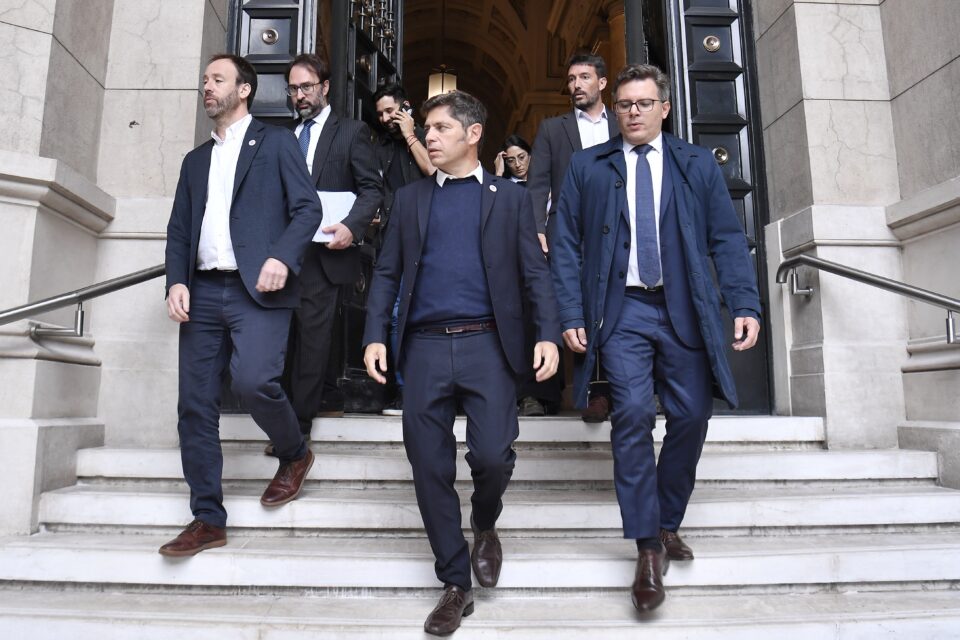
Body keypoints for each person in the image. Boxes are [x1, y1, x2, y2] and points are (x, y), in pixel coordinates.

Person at [549, 63, 761, 613]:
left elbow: (726, 238)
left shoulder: (696, 164)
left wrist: (744, 303)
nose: (633, 113)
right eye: (624, 104)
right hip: (623, 312)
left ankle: (667, 521)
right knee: (634, 415)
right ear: (614, 109)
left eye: (644, 103)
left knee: (692, 415)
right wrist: (569, 312)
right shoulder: (587, 166)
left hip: (684, 309)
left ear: (665, 108)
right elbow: (565, 243)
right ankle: (647, 546)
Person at [362, 90, 560, 636]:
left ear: (473, 134)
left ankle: (485, 521)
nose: (428, 136)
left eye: (441, 128)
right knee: (429, 467)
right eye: (427, 128)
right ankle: (454, 582)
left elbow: (535, 273)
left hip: (489, 345)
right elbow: (387, 273)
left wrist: (548, 334)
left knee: (492, 456)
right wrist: (375, 335)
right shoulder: (409, 199)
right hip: (423, 347)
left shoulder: (510, 199)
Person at [160, 54, 323, 557]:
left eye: (217, 79)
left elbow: (308, 209)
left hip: (259, 289)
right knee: (194, 406)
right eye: (204, 80)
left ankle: (294, 453)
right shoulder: (195, 161)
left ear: (244, 89)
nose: (207, 87)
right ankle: (207, 518)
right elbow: (179, 229)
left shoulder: (276, 143)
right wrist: (175, 281)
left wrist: (283, 256)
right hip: (203, 291)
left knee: (253, 382)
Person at [281, 53, 382, 440]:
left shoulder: (352, 132)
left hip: (325, 251)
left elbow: (371, 189)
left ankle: (297, 428)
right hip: (284, 252)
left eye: (306, 87)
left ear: (324, 87)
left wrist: (351, 227)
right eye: (293, 89)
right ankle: (309, 402)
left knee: (312, 336)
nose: (299, 95)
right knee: (287, 336)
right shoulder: (283, 136)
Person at [528, 53, 619, 422]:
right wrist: (536, 228)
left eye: (584, 77)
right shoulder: (553, 129)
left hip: (617, 230)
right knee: (566, 308)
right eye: (570, 79)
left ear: (602, 82)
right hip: (566, 233)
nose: (576, 85)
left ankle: (613, 391)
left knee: (614, 307)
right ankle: (566, 393)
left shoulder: (623, 123)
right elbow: (537, 184)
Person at [372, 82, 436, 416]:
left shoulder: (428, 137)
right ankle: (404, 388)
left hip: (433, 238)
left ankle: (439, 388)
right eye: (380, 114)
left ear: (406, 107)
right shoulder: (378, 146)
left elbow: (433, 171)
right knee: (397, 314)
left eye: (390, 111)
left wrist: (411, 135)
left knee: (434, 312)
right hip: (393, 241)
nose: (385, 119)